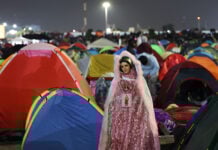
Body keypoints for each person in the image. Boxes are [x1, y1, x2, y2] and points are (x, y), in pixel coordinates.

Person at [98, 51, 160, 150]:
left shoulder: (138, 79)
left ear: (130, 65)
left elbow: (143, 97)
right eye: (122, 66)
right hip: (121, 113)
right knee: (119, 137)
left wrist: (136, 104)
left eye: (126, 65)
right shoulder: (118, 79)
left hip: (136, 113)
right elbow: (114, 97)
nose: (124, 68)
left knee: (134, 137)